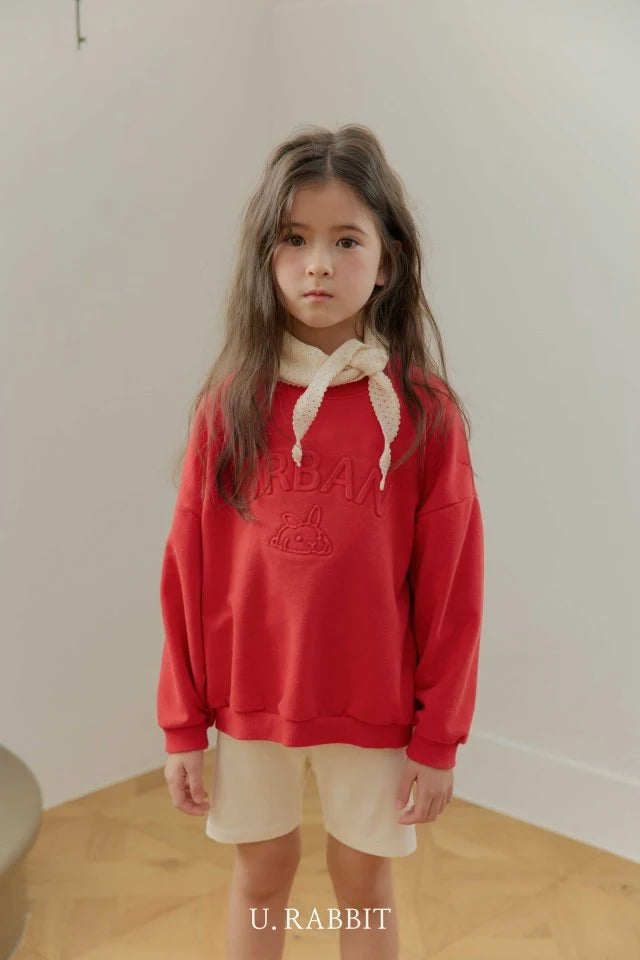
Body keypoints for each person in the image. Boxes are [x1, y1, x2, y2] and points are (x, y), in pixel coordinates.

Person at [157, 123, 484, 960]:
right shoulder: (230, 406)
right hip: (250, 701)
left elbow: (452, 594)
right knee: (261, 874)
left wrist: (438, 738)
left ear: (388, 262)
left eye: (346, 241)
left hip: (375, 704)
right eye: (294, 239)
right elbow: (188, 572)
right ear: (266, 259)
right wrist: (182, 724)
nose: (317, 265)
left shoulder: (425, 416)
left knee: (364, 884)